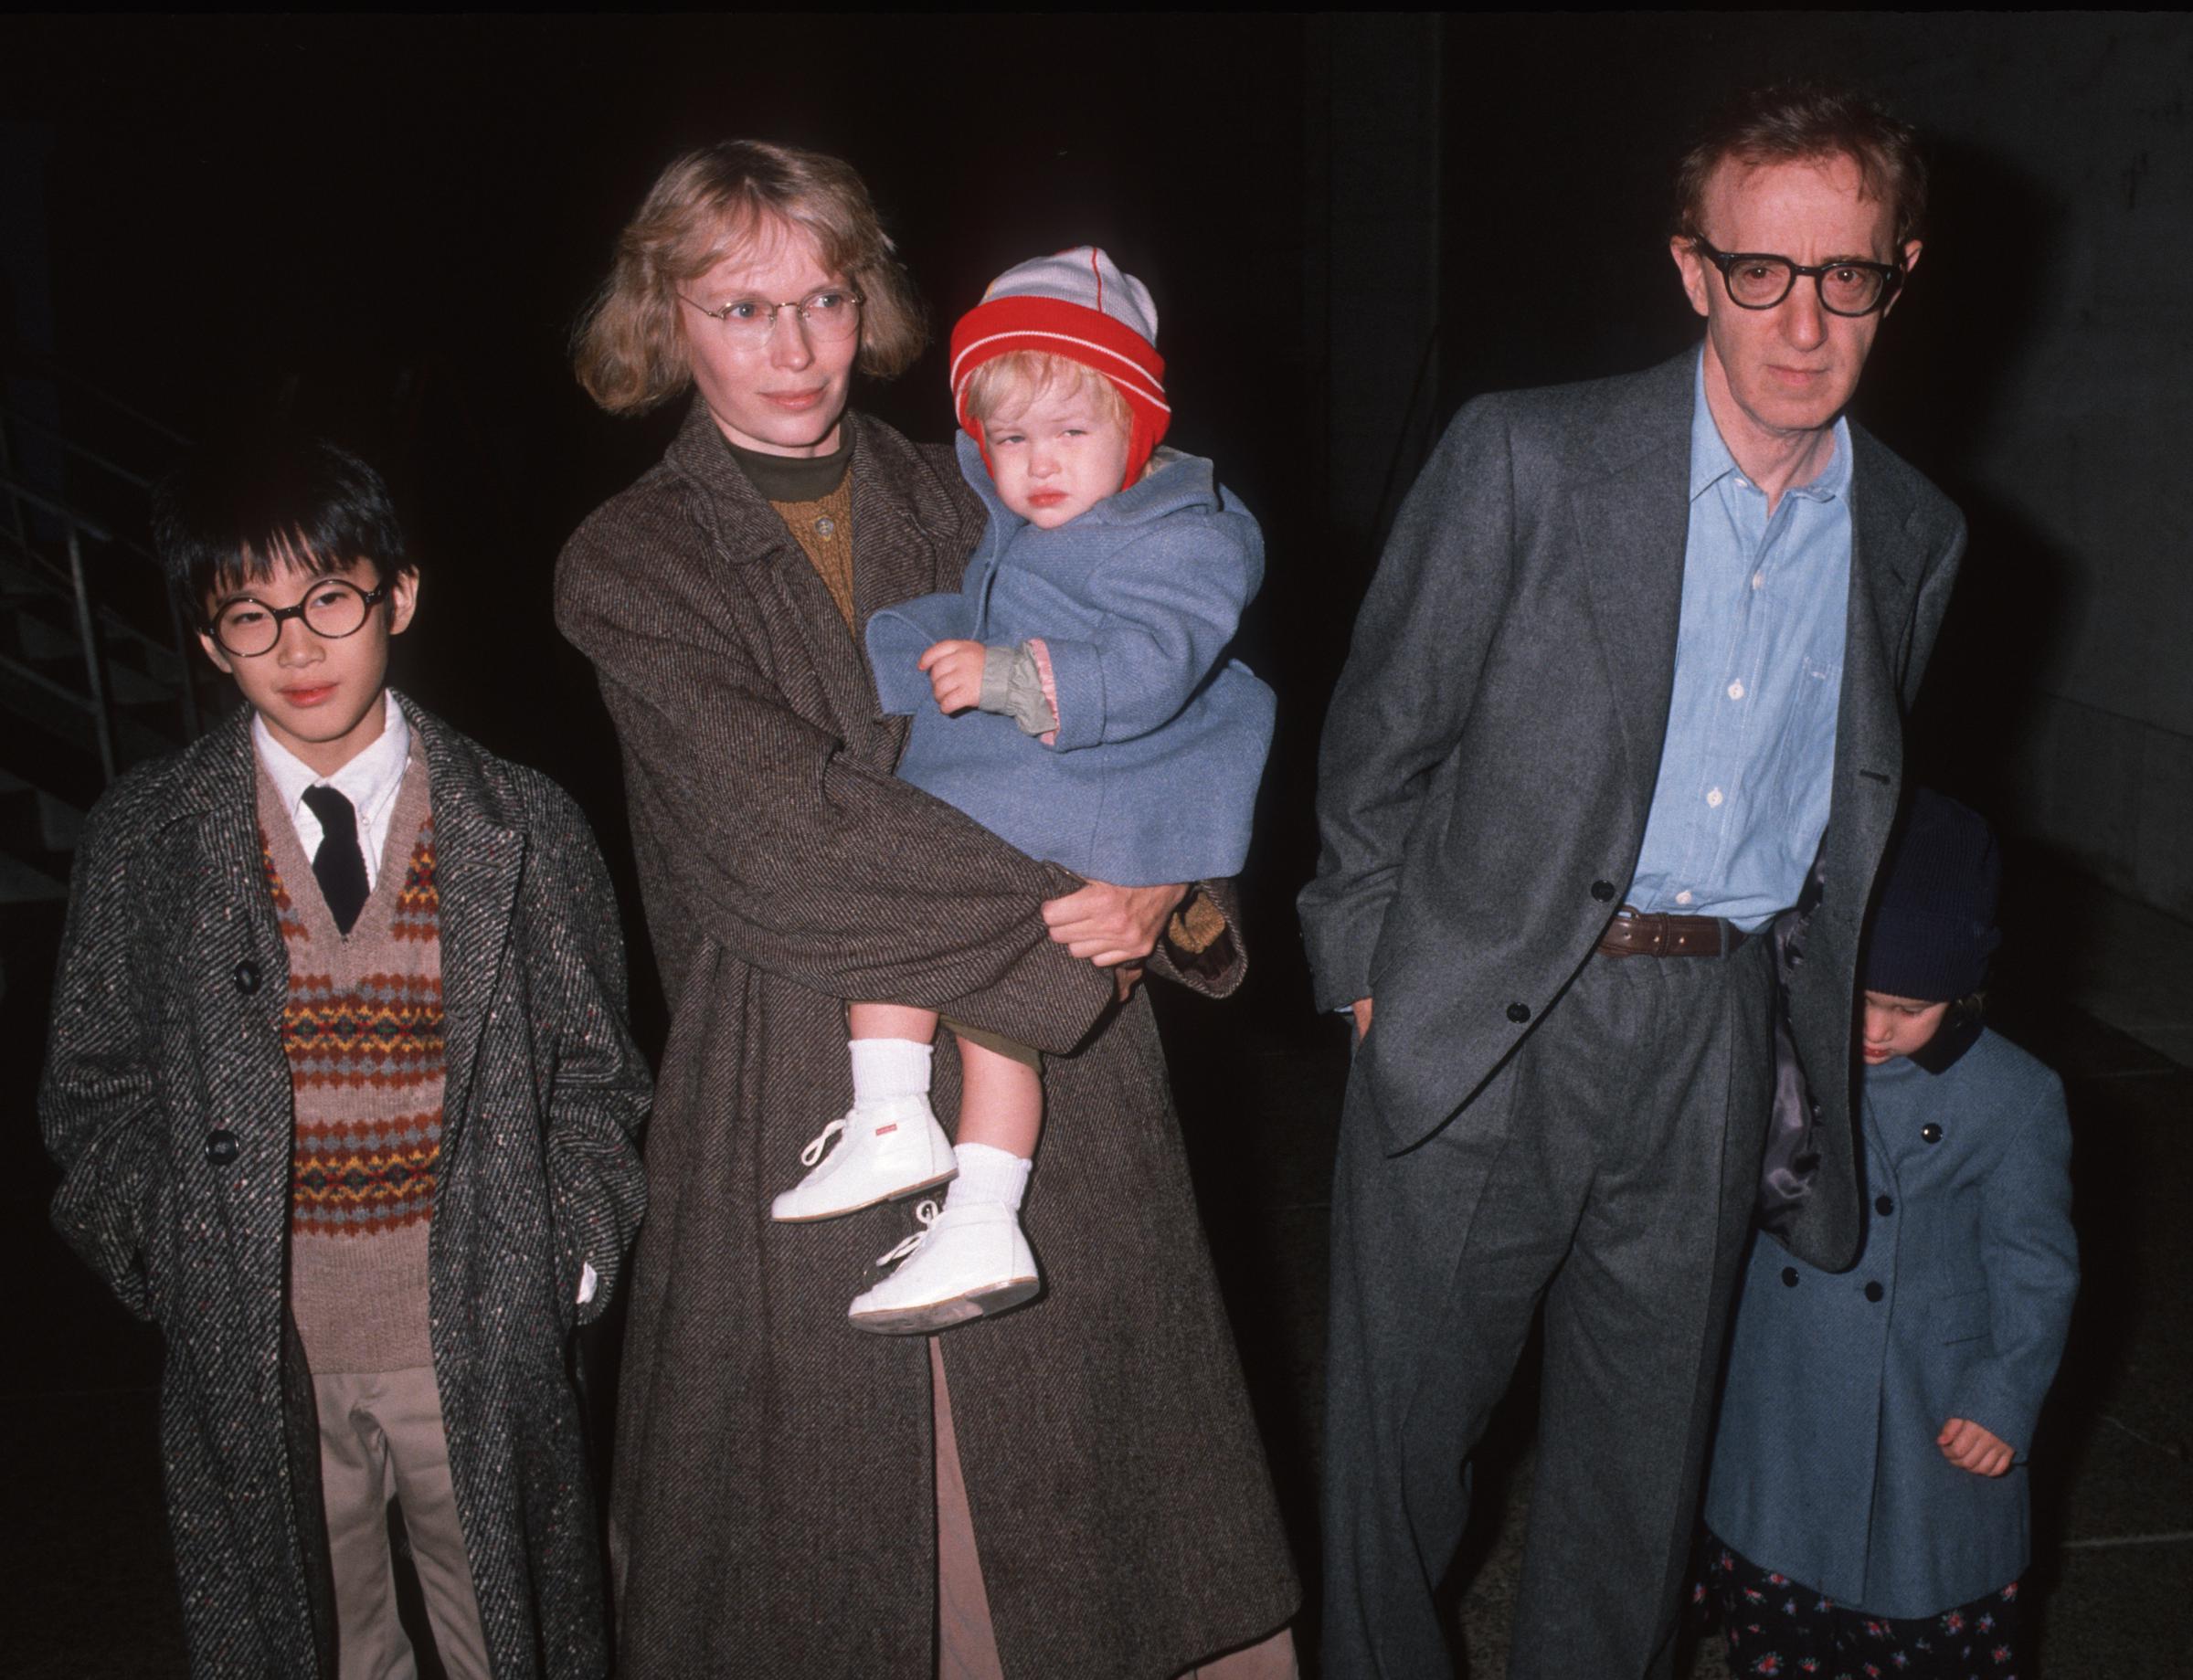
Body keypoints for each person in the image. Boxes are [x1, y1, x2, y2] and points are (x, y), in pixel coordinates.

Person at [556, 142, 1296, 1677]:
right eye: (742, 305)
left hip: (1061, 1108)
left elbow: (1194, 681)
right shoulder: (631, 562)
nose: (797, 345)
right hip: (793, 1073)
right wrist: (1082, 912)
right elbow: (785, 837)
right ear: (664, 318)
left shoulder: (985, 475)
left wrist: (1176, 888)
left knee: (1098, 1545)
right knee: (835, 1560)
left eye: (825, 296)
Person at [1299, 84, 1967, 1678]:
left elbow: (1856, 806)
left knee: (1639, 1468)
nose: (1802, 321)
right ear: (1692, 270)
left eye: (1846, 275)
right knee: (1397, 1448)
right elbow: (1382, 727)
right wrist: (1368, 976)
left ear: (1900, 273)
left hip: (1722, 1026)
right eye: (1761, 271)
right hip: (1490, 1006)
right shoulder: (1527, 458)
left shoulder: (1917, 535)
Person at [39, 437, 652, 1679]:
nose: (298, 647)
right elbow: (94, 1093)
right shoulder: (146, 841)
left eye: (329, 599)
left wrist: (570, 1254)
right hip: (266, 1345)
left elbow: (599, 1079)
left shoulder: (521, 823)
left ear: (399, 595)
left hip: (481, 1321)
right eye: (249, 616)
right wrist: (177, 1251)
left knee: (514, 1638)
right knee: (317, 1646)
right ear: (210, 642)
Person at [768, 246, 1275, 1335]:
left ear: (1138, 426)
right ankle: (966, 1192)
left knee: (908, 906)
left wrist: (1011, 678)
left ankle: (902, 1115)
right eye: (1008, 440)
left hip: (1069, 800)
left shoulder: (1179, 537)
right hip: (1026, 808)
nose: (1037, 464)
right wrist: (928, 640)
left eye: (1070, 432)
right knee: (991, 1023)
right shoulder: (1035, 521)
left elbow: (1155, 666)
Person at [1698, 790, 2077, 1679]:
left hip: (1925, 1415)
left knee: (1922, 1631)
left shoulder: (2014, 1098)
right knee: (1775, 1621)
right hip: (1780, 1409)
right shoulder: (1781, 1051)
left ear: (1963, 987)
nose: (1874, 1031)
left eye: (1908, 1009)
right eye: (1860, 999)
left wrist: (2004, 1393)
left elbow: (2037, 1268)